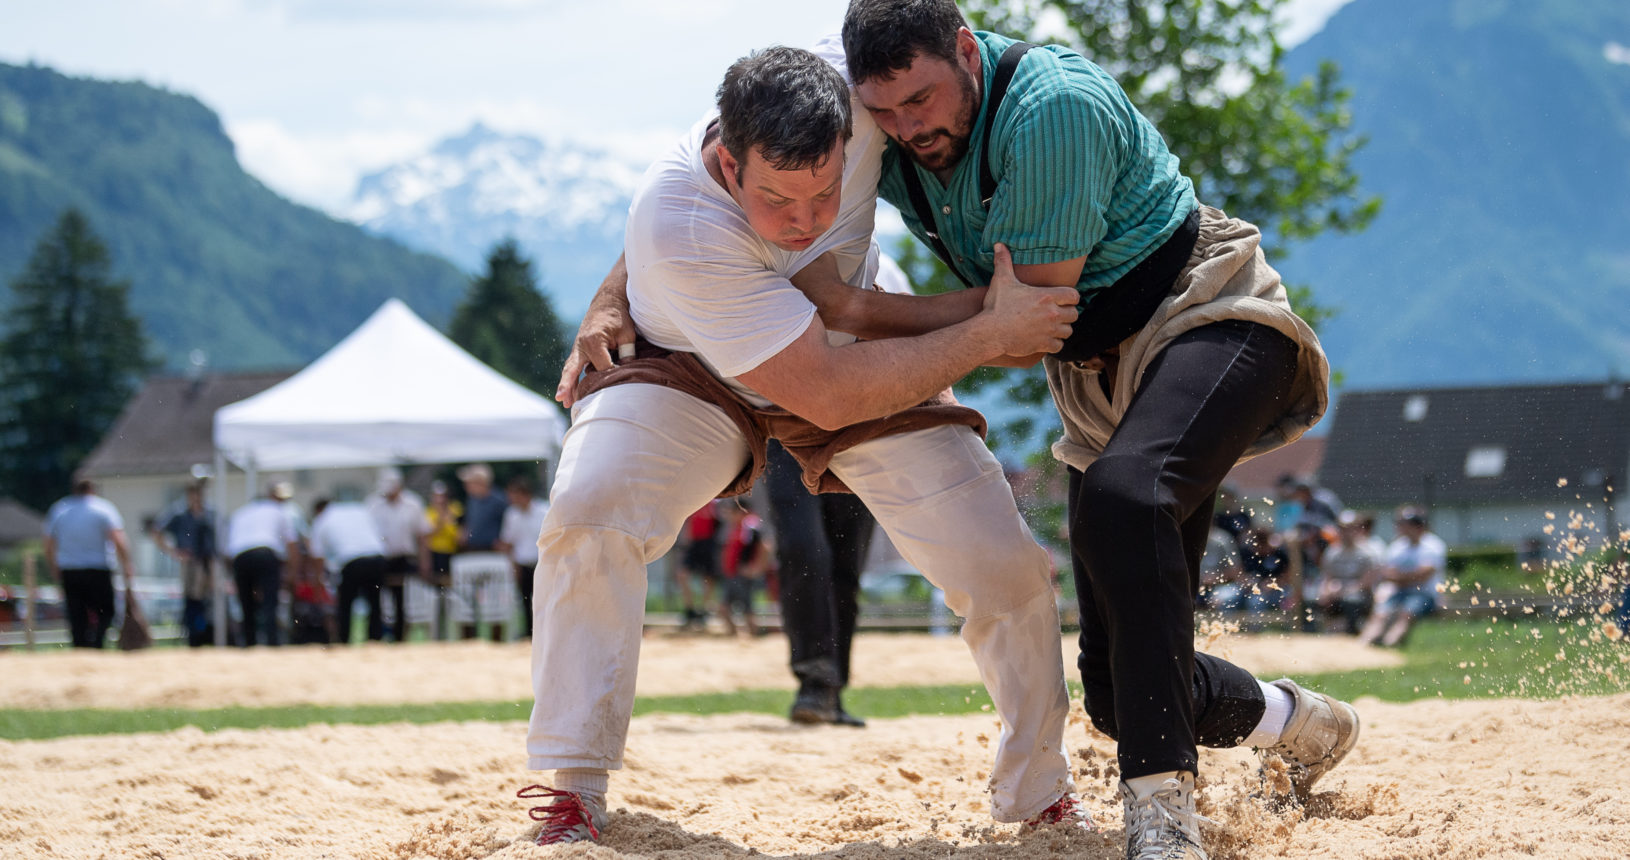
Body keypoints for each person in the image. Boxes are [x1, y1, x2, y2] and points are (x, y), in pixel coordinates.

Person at [523, 43, 1085, 846]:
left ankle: (1040, 792)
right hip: (698, 368)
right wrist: (987, 331)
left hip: (848, 339)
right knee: (589, 503)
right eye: (780, 201)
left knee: (1005, 563)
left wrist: (612, 287)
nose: (807, 223)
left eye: (828, 193)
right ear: (727, 162)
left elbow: (935, 54)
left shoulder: (848, 81)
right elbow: (820, 391)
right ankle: (574, 784)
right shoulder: (682, 220)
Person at [835, 3, 1358, 856]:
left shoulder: (1050, 109)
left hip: (1210, 314)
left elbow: (1025, 325)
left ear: (967, 49)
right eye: (883, 112)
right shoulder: (868, 112)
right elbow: (729, 166)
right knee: (1123, 696)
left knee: (1122, 499)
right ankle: (1300, 723)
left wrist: (856, 311)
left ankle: (1161, 818)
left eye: (921, 100)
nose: (904, 128)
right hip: (1097, 378)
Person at [42, 479, 135, 649]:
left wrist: (53, 566)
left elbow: (48, 544)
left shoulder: (60, 509)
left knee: (76, 612)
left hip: (70, 569)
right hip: (98, 569)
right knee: (105, 610)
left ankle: (80, 646)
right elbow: (118, 539)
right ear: (92, 489)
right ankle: (97, 642)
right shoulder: (103, 508)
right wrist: (127, 564)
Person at [225, 483, 301, 647]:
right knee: (269, 603)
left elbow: (228, 550)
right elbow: (292, 545)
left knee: (247, 606)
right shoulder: (278, 511)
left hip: (240, 557)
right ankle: (272, 644)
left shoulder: (240, 513)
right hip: (265, 553)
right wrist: (292, 574)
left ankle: (249, 645)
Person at [1359, 506, 1446, 648]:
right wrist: (1409, 577)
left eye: (1402, 524)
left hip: (1425, 594)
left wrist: (1399, 577)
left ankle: (1390, 643)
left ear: (1416, 526)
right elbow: (1388, 573)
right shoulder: (1397, 546)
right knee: (1380, 614)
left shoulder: (1433, 545)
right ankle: (1365, 645)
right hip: (1399, 592)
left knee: (1406, 614)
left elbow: (1424, 576)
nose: (1398, 527)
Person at [309, 497, 390, 644]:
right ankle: (375, 639)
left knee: (346, 604)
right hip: (377, 557)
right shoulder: (357, 509)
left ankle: (344, 640)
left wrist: (318, 580)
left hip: (352, 561)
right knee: (375, 602)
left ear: (318, 510)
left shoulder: (322, 519)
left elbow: (317, 555)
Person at [366, 468, 429, 642]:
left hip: (403, 557)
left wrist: (424, 561)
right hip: (379, 558)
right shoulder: (372, 504)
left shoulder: (413, 503)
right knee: (377, 599)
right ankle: (378, 636)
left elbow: (422, 535)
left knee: (402, 600)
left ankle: (400, 637)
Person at [153, 482, 217, 647]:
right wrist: (173, 551)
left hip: (207, 562)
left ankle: (205, 635)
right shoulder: (179, 514)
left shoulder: (210, 513)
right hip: (191, 564)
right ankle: (194, 636)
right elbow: (156, 531)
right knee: (192, 601)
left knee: (207, 600)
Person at [496, 476, 549, 638]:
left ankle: (544, 633)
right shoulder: (512, 515)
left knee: (543, 601)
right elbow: (509, 543)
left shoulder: (543, 511)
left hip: (542, 563)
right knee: (526, 601)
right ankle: (529, 633)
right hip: (523, 563)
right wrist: (514, 566)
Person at [1317, 510, 1382, 635]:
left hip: (1359, 594)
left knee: (1352, 600)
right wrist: (1326, 590)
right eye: (1342, 528)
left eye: (1350, 528)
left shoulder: (1368, 553)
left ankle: (1352, 632)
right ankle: (1320, 630)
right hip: (1337, 592)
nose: (1346, 532)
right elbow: (1327, 577)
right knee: (1313, 595)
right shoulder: (1332, 552)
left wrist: (1342, 591)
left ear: (1358, 529)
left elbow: (1366, 583)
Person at [717, 497, 773, 637]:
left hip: (743, 575)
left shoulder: (750, 525)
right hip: (734, 574)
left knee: (747, 608)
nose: (728, 515)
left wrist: (757, 568)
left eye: (731, 512)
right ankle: (735, 635)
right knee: (725, 607)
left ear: (741, 511)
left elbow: (765, 546)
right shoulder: (739, 527)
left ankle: (754, 635)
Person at [674, 501, 723, 631]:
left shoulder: (716, 502)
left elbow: (720, 521)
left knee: (708, 578)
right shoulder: (695, 497)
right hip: (694, 543)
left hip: (709, 542)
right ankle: (690, 610)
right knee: (682, 575)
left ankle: (704, 611)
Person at [424, 480, 463, 639]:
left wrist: (444, 522)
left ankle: (450, 632)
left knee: (450, 594)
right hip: (435, 554)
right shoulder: (429, 513)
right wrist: (443, 521)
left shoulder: (456, 510)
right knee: (436, 594)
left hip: (451, 554)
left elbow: (457, 535)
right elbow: (430, 533)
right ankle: (437, 633)